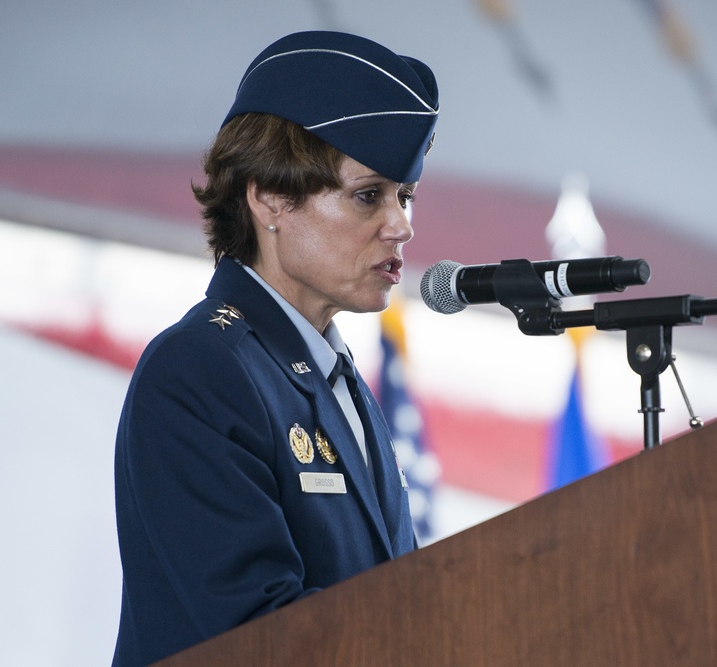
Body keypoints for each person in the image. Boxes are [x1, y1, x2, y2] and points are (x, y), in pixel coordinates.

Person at [111, 30, 439, 666]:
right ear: (268, 197)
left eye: (406, 197)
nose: (402, 225)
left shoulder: (339, 382)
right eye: (369, 195)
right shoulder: (200, 371)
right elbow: (259, 636)